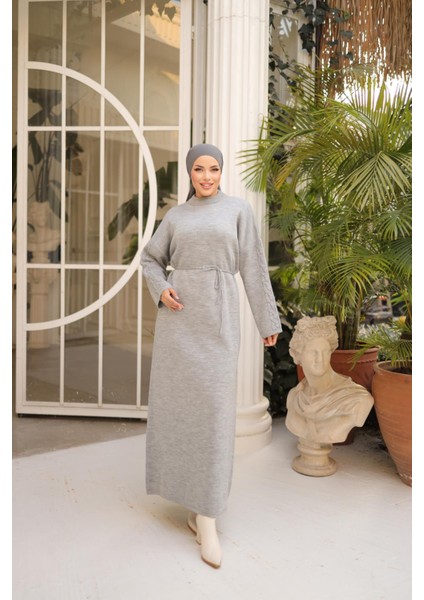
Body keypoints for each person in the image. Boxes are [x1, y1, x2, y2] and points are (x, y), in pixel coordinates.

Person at [140, 143, 281, 568]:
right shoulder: (176, 216)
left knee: (216, 417)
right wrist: (161, 288)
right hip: (179, 322)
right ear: (190, 173)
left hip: (218, 322)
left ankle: (208, 515)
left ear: (221, 172)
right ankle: (196, 507)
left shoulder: (237, 210)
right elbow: (150, 260)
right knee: (182, 413)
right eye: (199, 169)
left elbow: (253, 266)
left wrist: (267, 320)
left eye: (213, 169)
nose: (206, 176)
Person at [286, 316, 374, 445]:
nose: (320, 359)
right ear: (296, 355)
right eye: (313, 352)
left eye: (325, 352)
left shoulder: (357, 400)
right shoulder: (294, 396)